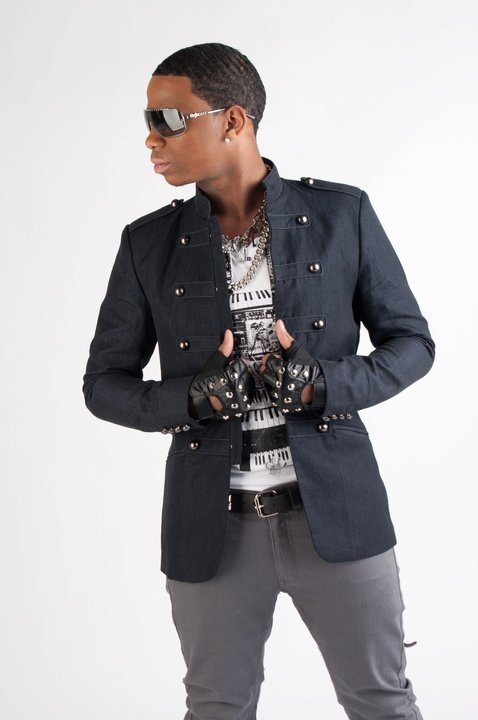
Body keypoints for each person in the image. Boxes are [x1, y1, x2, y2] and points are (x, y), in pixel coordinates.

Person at [82, 42, 435, 720]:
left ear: (234, 120)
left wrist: (323, 384)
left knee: (382, 702)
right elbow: (103, 384)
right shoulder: (147, 244)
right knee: (216, 707)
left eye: (168, 120)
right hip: (212, 532)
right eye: (147, 121)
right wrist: (192, 399)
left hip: (338, 514)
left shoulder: (341, 215)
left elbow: (412, 345)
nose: (151, 139)